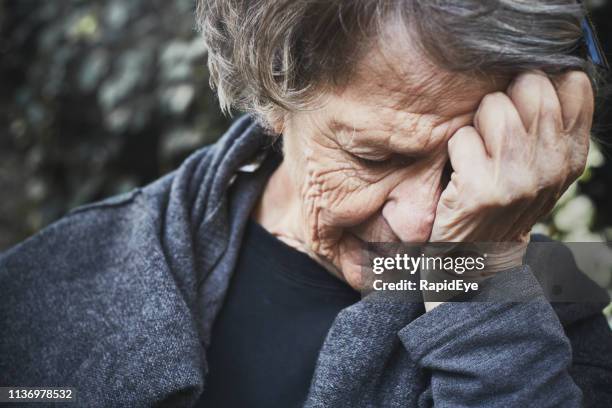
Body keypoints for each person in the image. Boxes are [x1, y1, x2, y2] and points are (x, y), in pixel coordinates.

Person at [1, 0, 612, 407]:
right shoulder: (46, 288)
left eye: (467, 167)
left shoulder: (553, 317)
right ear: (268, 95)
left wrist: (481, 277)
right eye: (374, 157)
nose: (425, 226)